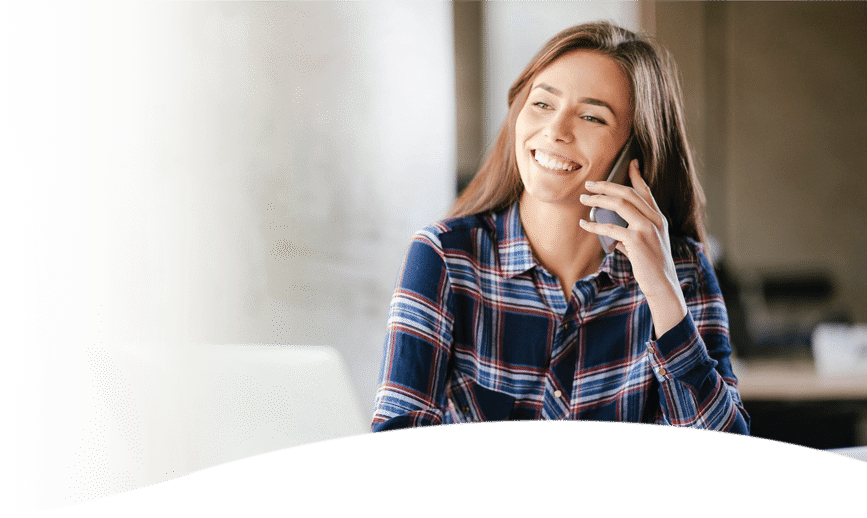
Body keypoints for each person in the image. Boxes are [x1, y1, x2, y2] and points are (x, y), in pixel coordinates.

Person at [371, 21, 749, 435]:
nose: (555, 131)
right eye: (543, 104)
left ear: (634, 150)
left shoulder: (682, 270)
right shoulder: (444, 259)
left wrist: (663, 293)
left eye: (591, 117)